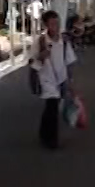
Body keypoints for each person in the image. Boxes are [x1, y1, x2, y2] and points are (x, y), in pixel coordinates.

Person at [32, 9, 76, 150]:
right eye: (52, 24)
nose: (56, 27)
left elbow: (69, 61)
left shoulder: (64, 41)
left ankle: (44, 133)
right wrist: (41, 56)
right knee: (52, 108)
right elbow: (32, 62)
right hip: (46, 79)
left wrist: (71, 81)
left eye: (57, 23)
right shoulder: (40, 41)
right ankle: (52, 140)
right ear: (46, 25)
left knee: (51, 108)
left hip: (61, 79)